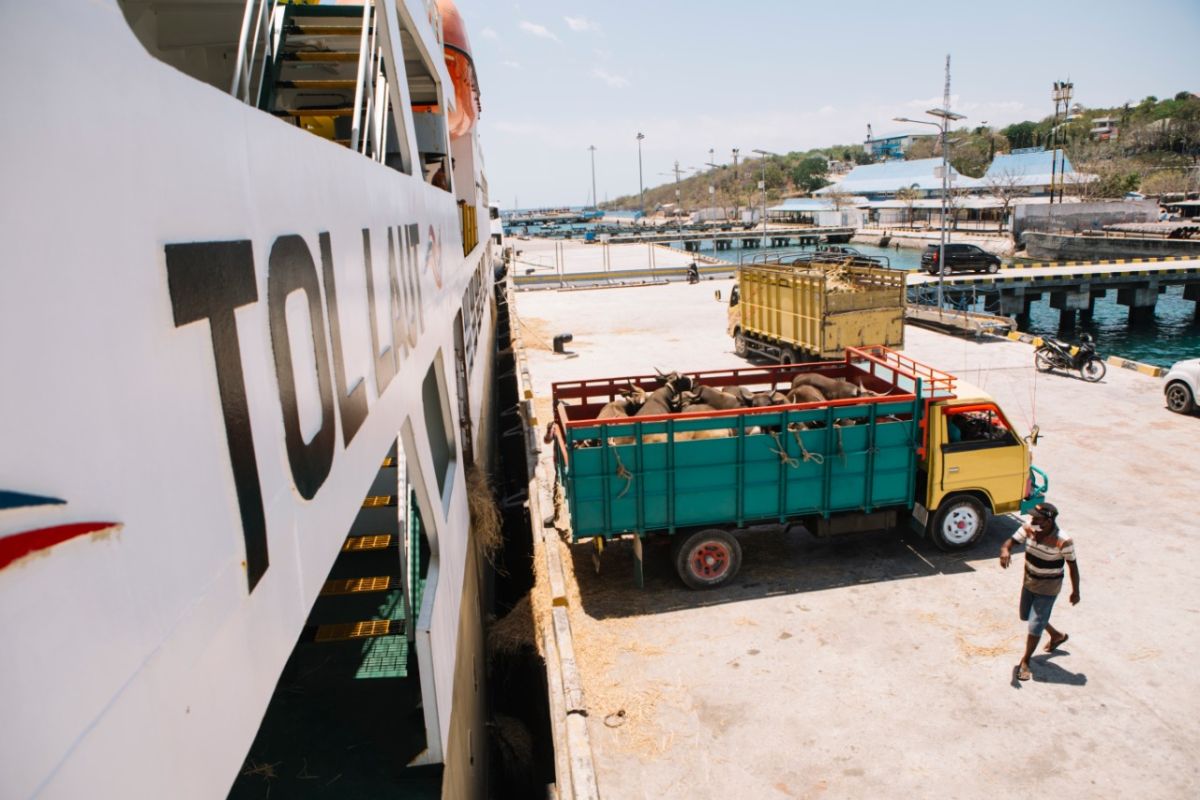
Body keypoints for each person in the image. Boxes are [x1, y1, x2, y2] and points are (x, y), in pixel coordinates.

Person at [999, 502, 1080, 681]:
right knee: (1026, 616)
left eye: (1038, 518)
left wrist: (1076, 592)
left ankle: (1025, 662)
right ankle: (1056, 635)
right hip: (1029, 582)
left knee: (1034, 626)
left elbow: (1073, 567)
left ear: (1049, 521)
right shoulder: (1029, 527)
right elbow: (1010, 542)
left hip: (1049, 588)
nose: (1033, 521)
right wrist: (1005, 550)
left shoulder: (1063, 540)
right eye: (1033, 517)